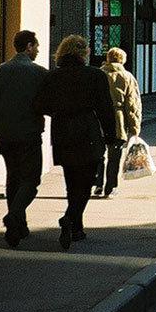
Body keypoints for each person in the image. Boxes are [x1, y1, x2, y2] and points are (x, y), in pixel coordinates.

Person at [36, 35, 118, 250]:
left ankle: (77, 228)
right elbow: (105, 108)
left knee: (71, 180)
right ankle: (70, 218)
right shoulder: (94, 75)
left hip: (62, 130)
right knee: (87, 179)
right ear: (84, 53)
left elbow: (41, 105)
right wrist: (111, 135)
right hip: (87, 129)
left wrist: (59, 111)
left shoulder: (53, 76)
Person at [0, 30, 49, 248]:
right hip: (29, 134)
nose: (37, 50)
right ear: (28, 46)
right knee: (31, 180)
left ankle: (20, 225)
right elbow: (47, 104)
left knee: (13, 178)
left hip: (5, 135)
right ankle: (14, 214)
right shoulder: (39, 73)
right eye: (36, 46)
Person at [95, 47, 142, 199]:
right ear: (123, 60)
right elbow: (132, 104)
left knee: (98, 154)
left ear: (108, 59)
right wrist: (135, 127)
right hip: (118, 120)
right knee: (114, 156)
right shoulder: (127, 77)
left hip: (98, 120)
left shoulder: (98, 74)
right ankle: (110, 187)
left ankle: (98, 184)